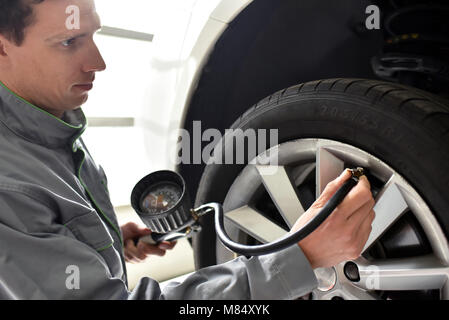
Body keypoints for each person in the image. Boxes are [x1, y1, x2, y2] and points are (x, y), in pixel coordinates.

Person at [0, 0, 375, 299]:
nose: (97, 62)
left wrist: (103, 240)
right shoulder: (7, 187)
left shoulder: (47, 120)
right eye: (68, 42)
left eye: (92, 35)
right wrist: (300, 258)